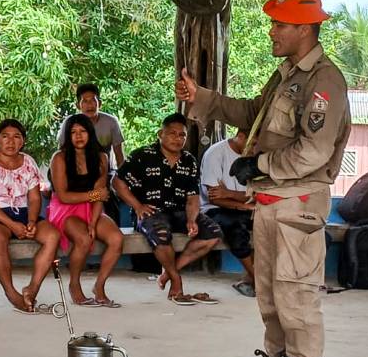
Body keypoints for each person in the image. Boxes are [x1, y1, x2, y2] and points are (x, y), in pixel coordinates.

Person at [176, 0, 351, 357]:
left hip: (298, 202)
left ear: (304, 29)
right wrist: (200, 97)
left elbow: (315, 149)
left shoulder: (325, 80)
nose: (271, 31)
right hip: (271, 202)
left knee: (297, 298)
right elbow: (253, 112)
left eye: (279, 25)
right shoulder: (288, 73)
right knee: (270, 297)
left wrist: (261, 165)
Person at [114, 113, 222, 305]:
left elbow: (193, 197)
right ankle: (176, 281)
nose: (178, 138)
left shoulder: (189, 161)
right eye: (172, 133)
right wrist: (137, 206)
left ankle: (168, 274)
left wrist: (191, 219)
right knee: (161, 234)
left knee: (213, 233)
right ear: (160, 134)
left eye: (182, 135)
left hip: (180, 212)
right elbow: (118, 182)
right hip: (150, 212)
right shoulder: (142, 155)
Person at [0, 119, 59, 313]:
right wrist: (11, 225)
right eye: (5, 137)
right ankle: (11, 293)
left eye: (16, 137)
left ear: (23, 142)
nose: (11, 141)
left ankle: (32, 289)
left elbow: (35, 198)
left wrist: (32, 222)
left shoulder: (28, 161)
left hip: (24, 214)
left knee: (52, 236)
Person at [48, 114, 123, 307]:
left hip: (91, 207)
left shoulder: (101, 158)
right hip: (64, 209)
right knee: (84, 239)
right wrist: (95, 195)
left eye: (82, 131)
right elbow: (64, 196)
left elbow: (101, 195)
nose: (78, 136)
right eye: (73, 132)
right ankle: (74, 285)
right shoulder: (60, 158)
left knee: (116, 239)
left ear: (90, 133)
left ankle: (99, 286)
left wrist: (93, 221)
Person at [57, 83, 125, 223]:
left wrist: (124, 178)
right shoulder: (69, 123)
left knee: (109, 194)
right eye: (85, 101)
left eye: (93, 100)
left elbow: (119, 153)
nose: (89, 105)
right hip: (74, 171)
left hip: (102, 170)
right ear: (78, 105)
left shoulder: (111, 122)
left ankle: (112, 224)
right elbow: (62, 152)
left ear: (99, 103)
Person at [200, 130, 256, 297]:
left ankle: (250, 278)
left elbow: (258, 195)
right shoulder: (215, 154)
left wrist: (229, 193)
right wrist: (244, 205)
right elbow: (215, 198)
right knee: (234, 228)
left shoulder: (258, 156)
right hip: (215, 209)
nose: (255, 149)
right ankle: (257, 279)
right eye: (253, 143)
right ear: (241, 135)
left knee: (271, 224)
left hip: (248, 207)